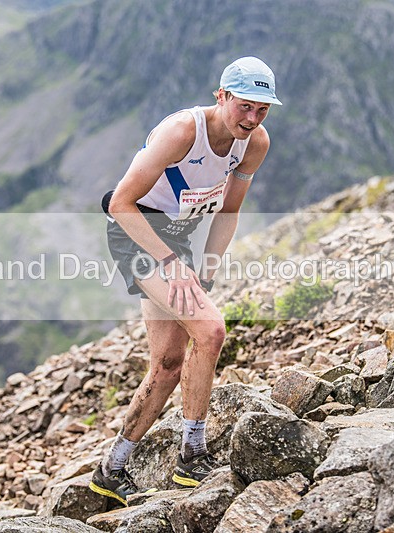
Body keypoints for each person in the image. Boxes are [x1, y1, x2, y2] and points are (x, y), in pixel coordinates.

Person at [89, 56, 282, 506]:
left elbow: (229, 211)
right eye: (244, 106)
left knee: (169, 364)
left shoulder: (254, 143)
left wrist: (207, 268)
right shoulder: (181, 132)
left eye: (263, 110)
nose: (252, 119)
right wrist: (171, 262)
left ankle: (111, 468)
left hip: (178, 238)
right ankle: (191, 458)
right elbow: (119, 203)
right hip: (136, 233)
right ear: (222, 96)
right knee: (211, 331)